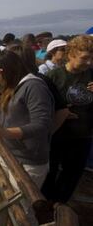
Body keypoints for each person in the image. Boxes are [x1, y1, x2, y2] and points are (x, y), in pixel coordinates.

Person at [0, 50, 54, 188]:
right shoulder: (10, 87)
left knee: (21, 207)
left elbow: (42, 124)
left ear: (8, 70)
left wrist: (5, 132)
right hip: (7, 152)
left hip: (28, 161)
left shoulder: (34, 86)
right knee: (4, 196)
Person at [41, 35, 93, 203]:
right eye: (85, 58)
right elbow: (42, 105)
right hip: (57, 134)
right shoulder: (54, 76)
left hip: (83, 135)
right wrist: (60, 113)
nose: (89, 62)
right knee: (50, 171)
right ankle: (46, 204)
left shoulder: (92, 74)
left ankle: (60, 205)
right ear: (70, 54)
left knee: (72, 174)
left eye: (92, 58)